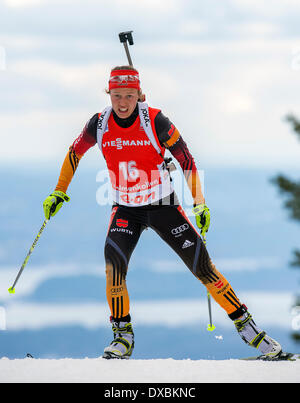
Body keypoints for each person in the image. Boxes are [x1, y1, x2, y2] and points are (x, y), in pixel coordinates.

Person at [43, 65, 282, 360]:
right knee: (113, 268)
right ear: (109, 94)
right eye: (116, 95)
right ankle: (123, 336)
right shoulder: (100, 122)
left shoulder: (155, 120)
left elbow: (186, 159)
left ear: (139, 95)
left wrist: (199, 202)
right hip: (126, 208)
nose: (122, 102)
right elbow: (74, 152)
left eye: (129, 96)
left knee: (203, 269)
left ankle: (249, 329)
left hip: (162, 206)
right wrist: (59, 190)